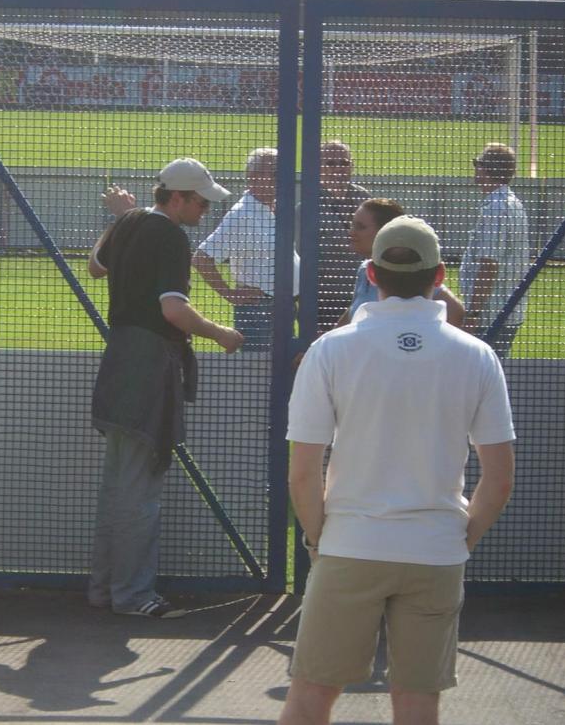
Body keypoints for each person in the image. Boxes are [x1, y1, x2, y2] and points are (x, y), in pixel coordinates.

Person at [279, 215, 516, 725]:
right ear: (440, 276)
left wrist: (320, 542)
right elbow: (498, 480)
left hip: (349, 547)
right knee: (417, 704)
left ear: (371, 271)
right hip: (435, 552)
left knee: (309, 699)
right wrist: (456, 541)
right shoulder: (477, 356)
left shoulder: (330, 350)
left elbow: (303, 472)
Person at [87, 157, 244, 619]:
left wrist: (119, 219)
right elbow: (173, 310)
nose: (205, 211)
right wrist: (220, 333)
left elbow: (95, 267)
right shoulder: (171, 236)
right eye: (200, 202)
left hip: (119, 361)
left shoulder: (131, 224)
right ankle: (134, 596)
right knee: (140, 491)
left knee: (117, 486)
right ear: (176, 198)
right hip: (149, 363)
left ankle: (104, 589)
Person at [192, 147, 300, 348]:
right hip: (259, 310)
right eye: (275, 173)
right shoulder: (242, 215)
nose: (281, 178)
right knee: (260, 372)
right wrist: (228, 293)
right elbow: (201, 258)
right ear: (253, 177)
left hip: (284, 305)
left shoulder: (276, 208)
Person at [335, 198, 466, 328]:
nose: (351, 232)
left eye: (360, 227)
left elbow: (455, 310)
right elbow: (354, 311)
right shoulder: (365, 269)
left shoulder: (407, 271)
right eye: (352, 225)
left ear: (385, 231)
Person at [458, 142, 531, 359]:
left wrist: (473, 313)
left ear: (486, 169)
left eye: (477, 164)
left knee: (480, 377)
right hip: (506, 308)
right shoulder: (512, 203)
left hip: (491, 314)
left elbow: (489, 264)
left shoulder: (497, 209)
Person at [308, 140, 371, 333]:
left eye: (343, 163)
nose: (338, 169)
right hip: (323, 297)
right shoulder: (309, 203)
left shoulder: (364, 198)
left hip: (361, 293)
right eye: (331, 163)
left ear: (351, 166)